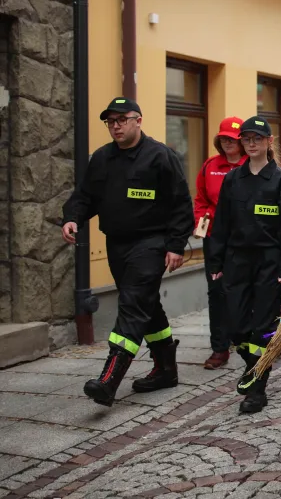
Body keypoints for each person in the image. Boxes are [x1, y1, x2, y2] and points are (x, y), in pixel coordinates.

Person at [61, 97, 193, 406]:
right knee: (146, 305)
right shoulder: (102, 158)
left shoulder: (161, 156)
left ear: (138, 120)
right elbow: (85, 195)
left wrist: (175, 245)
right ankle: (166, 370)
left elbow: (181, 205)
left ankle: (109, 380)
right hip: (117, 244)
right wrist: (72, 218)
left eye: (122, 119)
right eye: (111, 121)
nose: (116, 126)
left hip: (151, 243)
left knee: (133, 303)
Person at [207, 116, 281, 413]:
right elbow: (221, 222)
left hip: (269, 262)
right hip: (237, 260)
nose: (251, 143)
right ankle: (253, 368)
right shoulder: (234, 179)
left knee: (261, 328)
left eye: (257, 138)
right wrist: (216, 260)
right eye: (246, 138)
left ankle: (257, 388)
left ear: (269, 142)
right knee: (236, 326)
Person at [193, 117, 246, 370]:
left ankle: (247, 340)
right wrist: (201, 221)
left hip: (245, 240)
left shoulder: (253, 164)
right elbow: (201, 199)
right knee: (216, 291)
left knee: (245, 289)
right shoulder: (210, 166)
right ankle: (219, 348)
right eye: (223, 139)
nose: (227, 143)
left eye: (232, 139)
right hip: (215, 239)